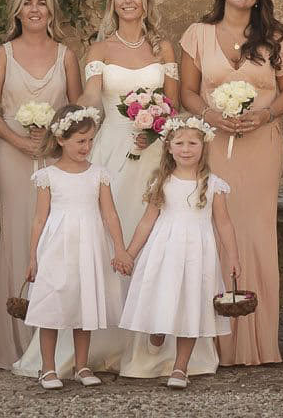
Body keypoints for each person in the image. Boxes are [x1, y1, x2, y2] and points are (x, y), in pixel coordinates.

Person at [13, 0, 190, 377]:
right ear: (112, 3)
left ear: (146, 1)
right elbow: (92, 95)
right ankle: (98, 341)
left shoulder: (163, 47)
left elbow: (173, 103)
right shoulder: (99, 49)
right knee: (108, 233)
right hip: (111, 148)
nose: (128, 1)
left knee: (152, 237)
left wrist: (156, 127)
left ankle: (147, 339)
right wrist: (73, 119)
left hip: (153, 150)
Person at [179, 0, 283, 366]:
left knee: (256, 231)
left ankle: (257, 341)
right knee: (214, 227)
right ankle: (212, 342)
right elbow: (188, 92)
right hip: (214, 144)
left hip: (261, 145)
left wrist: (265, 115)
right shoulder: (198, 34)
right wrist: (210, 116)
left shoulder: (278, 37)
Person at [0, 0, 82, 369]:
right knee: (18, 233)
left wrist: (54, 140)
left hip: (55, 159)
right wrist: (18, 141)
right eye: (27, 3)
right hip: (14, 155)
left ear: (51, 10)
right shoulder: (2, 54)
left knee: (55, 237)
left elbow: (76, 112)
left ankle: (53, 342)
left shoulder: (66, 56)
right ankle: (13, 340)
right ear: (17, 11)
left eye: (41, 2)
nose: (35, 9)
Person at [119, 116, 241, 389]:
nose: (186, 149)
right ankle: (158, 330)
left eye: (192, 143)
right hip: (164, 250)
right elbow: (147, 221)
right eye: (180, 143)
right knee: (161, 296)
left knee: (191, 304)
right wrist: (130, 253)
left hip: (198, 253)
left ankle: (180, 367)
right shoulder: (161, 181)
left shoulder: (213, 184)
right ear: (169, 147)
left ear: (203, 146)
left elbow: (224, 223)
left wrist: (233, 256)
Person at [23, 105, 133, 389]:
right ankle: (48, 368)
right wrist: (33, 256)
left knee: (85, 303)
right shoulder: (48, 175)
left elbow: (110, 214)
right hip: (57, 247)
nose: (87, 146)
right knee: (52, 304)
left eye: (90, 140)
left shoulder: (98, 174)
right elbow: (39, 218)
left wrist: (120, 248)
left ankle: (81, 366)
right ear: (61, 139)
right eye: (80, 141)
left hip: (89, 246)